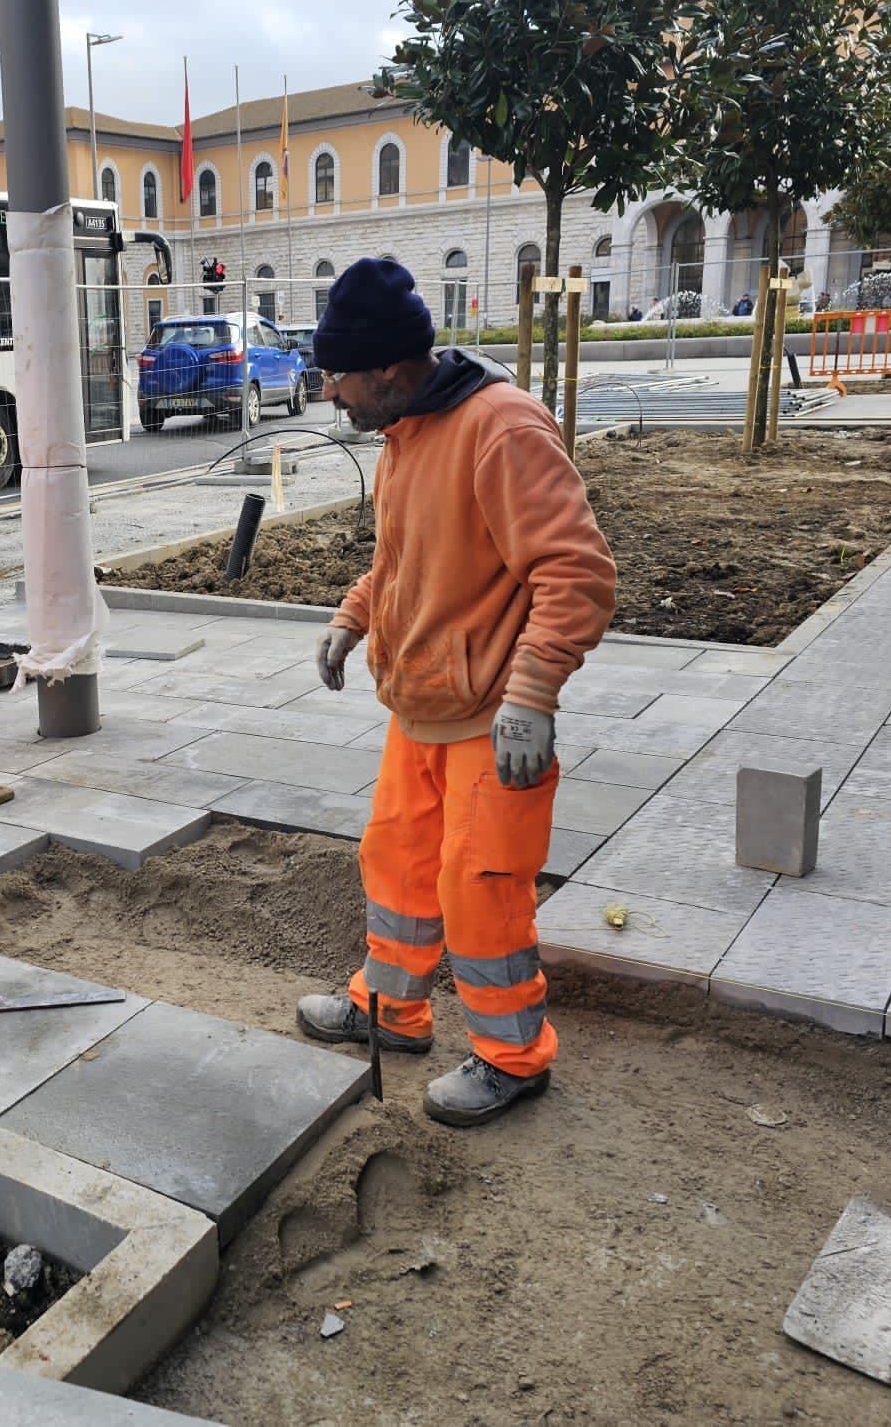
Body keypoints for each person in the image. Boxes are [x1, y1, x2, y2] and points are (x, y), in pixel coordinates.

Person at [295, 258, 615, 1129]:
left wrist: (533, 696)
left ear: (393, 372)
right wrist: (354, 615)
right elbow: (409, 559)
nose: (330, 394)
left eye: (340, 377)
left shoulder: (500, 431)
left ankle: (513, 1056)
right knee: (397, 866)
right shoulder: (407, 432)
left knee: (482, 892)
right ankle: (392, 1011)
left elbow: (576, 574)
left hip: (488, 717)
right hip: (421, 710)